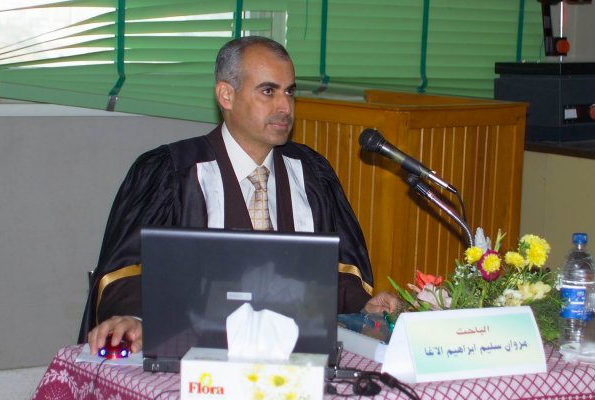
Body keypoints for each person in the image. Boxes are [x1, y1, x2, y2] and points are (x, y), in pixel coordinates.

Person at [82, 36, 402, 355]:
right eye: (268, 91)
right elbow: (125, 271)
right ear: (226, 95)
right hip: (193, 355)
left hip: (297, 355)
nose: (285, 107)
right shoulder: (170, 173)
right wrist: (136, 318)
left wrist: (365, 306)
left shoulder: (312, 175)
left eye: (289, 92)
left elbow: (338, 272)